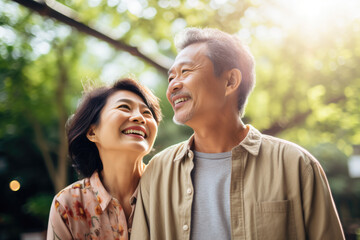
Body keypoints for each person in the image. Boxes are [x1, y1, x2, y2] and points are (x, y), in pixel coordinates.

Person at [131, 28, 345, 240]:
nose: (173, 86)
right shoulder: (156, 173)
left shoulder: (296, 165)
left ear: (230, 81)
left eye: (185, 72)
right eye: (171, 78)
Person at [46, 78, 161, 240]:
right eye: (124, 107)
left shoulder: (169, 190)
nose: (139, 118)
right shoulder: (67, 205)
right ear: (92, 132)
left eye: (147, 112)